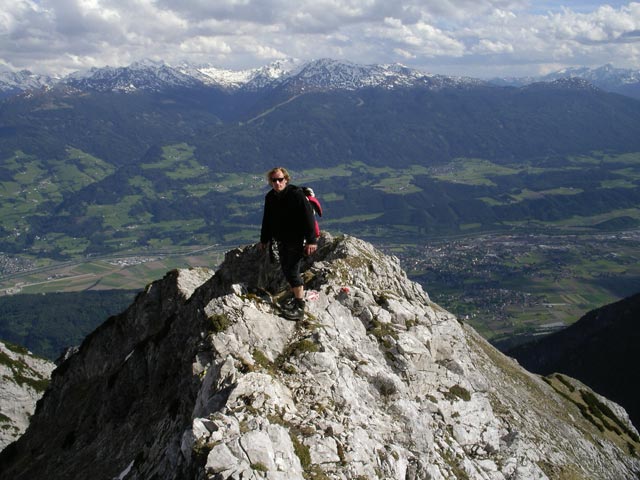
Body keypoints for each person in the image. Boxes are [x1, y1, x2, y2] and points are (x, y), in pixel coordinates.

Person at [259, 167, 318, 320]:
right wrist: (264, 239)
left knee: (292, 270)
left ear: (286, 179)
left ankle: (300, 308)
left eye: (280, 179)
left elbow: (308, 218)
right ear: (270, 182)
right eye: (274, 180)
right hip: (282, 239)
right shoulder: (270, 197)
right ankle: (296, 300)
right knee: (286, 269)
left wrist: (311, 240)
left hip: (297, 239)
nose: (277, 183)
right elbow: (267, 219)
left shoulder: (296, 195)